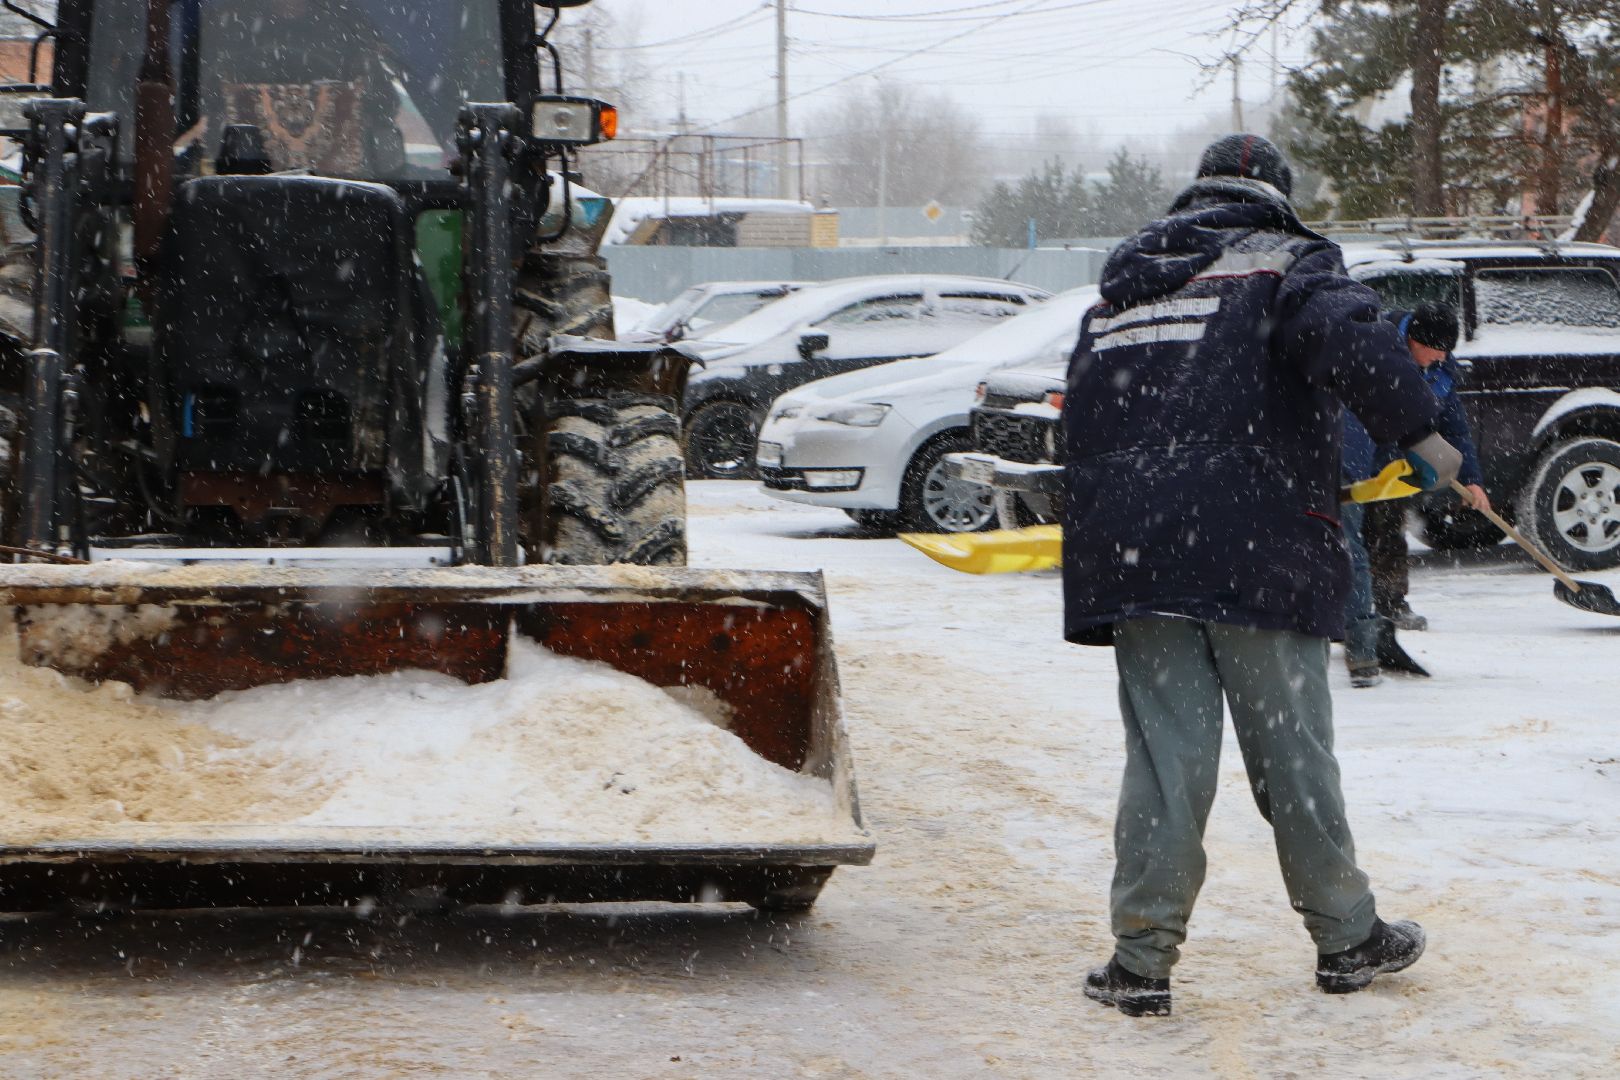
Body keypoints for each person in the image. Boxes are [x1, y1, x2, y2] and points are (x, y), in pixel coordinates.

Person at [1061, 134, 1462, 1016]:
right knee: (1290, 750)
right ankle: (1348, 936)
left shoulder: (1125, 289)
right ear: (1273, 194)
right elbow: (1348, 339)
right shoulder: (1287, 262)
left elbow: (1083, 422)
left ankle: (1140, 963)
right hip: (1256, 542)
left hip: (1138, 552)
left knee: (1165, 762)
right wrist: (1423, 432)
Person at [1363, 302, 1489, 631]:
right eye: (1438, 350)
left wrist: (1472, 480)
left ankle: (1390, 603)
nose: (1443, 358)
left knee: (1388, 527)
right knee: (1342, 536)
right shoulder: (1377, 351)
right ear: (1416, 343)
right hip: (1353, 456)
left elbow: (1455, 428)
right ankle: (1347, 614)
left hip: (1391, 466)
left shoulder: (1440, 369)